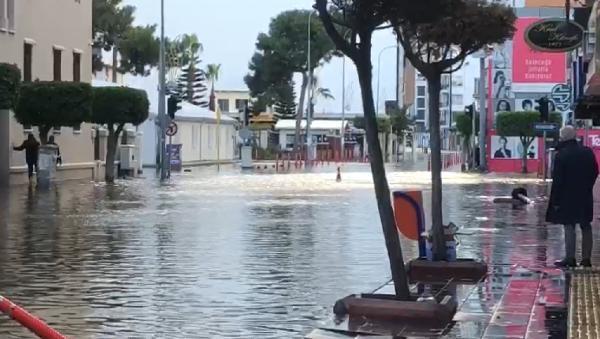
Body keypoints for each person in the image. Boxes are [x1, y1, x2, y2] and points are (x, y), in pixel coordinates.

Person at [547, 126, 599, 268]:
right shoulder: (587, 152)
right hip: (584, 195)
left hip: (567, 196)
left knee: (569, 226)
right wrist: (588, 186)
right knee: (585, 225)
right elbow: (595, 171)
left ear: (563, 137)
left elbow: (558, 180)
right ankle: (586, 259)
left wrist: (556, 201)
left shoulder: (561, 155)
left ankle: (570, 258)